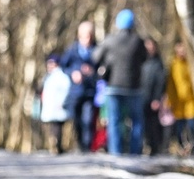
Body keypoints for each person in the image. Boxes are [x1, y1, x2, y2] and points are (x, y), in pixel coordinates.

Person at [91, 9, 148, 155]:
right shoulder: (138, 41)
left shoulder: (110, 41)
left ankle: (116, 152)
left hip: (113, 86)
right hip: (134, 87)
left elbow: (95, 57)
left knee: (114, 120)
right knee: (137, 120)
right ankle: (135, 152)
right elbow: (145, 58)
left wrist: (107, 63)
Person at [59, 20, 98, 152]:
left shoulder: (97, 50)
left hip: (90, 92)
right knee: (77, 120)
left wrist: (92, 72)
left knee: (88, 119)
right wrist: (73, 73)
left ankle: (87, 146)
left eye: (89, 35)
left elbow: (102, 69)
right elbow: (64, 66)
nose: (86, 39)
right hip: (75, 92)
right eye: (83, 35)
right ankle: (80, 144)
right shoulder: (72, 50)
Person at [166, 41, 194, 155]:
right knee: (179, 127)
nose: (181, 52)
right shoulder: (173, 64)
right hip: (178, 101)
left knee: (192, 125)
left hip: (191, 101)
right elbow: (170, 85)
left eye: (183, 49)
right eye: (179, 49)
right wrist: (170, 100)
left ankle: (192, 146)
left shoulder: (191, 64)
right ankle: (181, 146)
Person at [38, 55, 72, 154]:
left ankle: (57, 145)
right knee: (53, 127)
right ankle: (54, 145)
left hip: (58, 107)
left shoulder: (61, 76)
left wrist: (62, 101)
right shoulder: (48, 76)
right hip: (50, 107)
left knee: (57, 127)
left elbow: (66, 90)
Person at [140, 37, 167, 155]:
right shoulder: (141, 62)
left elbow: (161, 82)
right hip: (141, 98)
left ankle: (155, 147)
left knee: (153, 125)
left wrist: (157, 98)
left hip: (153, 99)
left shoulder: (158, 64)